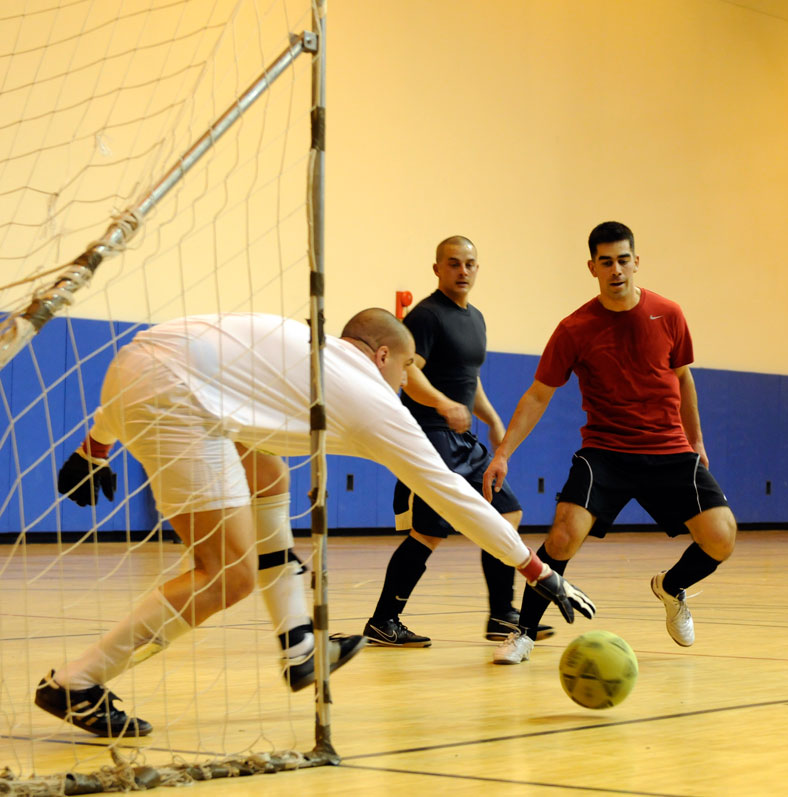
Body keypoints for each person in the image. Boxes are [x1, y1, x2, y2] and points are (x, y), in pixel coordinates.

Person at [42, 309, 595, 737]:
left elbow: (169, 354)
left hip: (139, 366)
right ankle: (79, 681)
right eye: (406, 369)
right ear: (382, 355)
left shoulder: (309, 348)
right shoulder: (370, 396)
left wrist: (96, 446)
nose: (406, 381)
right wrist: (534, 566)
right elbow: (453, 495)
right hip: (176, 398)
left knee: (269, 476)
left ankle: (300, 646)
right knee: (227, 576)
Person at [481, 221, 737, 665]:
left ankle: (671, 586)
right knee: (561, 537)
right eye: (606, 262)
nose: (616, 269)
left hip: (670, 449)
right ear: (592, 267)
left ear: (636, 261)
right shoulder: (575, 328)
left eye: (623, 259)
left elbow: (683, 378)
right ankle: (523, 634)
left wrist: (696, 439)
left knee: (722, 537)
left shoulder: (668, 313)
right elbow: (539, 393)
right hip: (606, 452)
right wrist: (503, 452)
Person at [362, 236, 552, 647]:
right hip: (432, 439)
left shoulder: (476, 318)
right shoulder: (426, 317)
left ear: (477, 269)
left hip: (464, 441)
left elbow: (470, 379)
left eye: (469, 264)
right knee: (428, 533)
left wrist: (493, 419)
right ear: (437, 269)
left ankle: (502, 615)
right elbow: (409, 375)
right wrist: (444, 404)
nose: (462, 271)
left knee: (507, 514)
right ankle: (383, 620)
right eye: (453, 264)